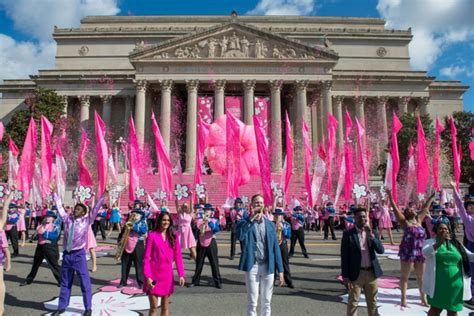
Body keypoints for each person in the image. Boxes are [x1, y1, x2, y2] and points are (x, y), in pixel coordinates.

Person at [52, 189, 106, 316]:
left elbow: (96, 208)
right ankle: (62, 306)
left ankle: (88, 308)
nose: (75, 210)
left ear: (83, 213)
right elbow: (59, 207)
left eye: (78, 209)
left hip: (79, 255)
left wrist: (105, 194)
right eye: (75, 208)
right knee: (65, 282)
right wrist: (54, 192)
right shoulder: (67, 219)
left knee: (84, 282)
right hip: (67, 255)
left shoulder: (87, 221)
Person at [237, 194, 284, 316]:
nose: (259, 204)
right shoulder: (245, 222)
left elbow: (275, 248)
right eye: (256, 202)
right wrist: (251, 218)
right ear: (251, 205)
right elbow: (240, 236)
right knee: (253, 302)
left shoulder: (270, 224)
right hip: (253, 266)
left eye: (261, 203)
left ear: (264, 206)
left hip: (268, 266)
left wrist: (281, 270)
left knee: (267, 301)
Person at [387, 189, 435, 307]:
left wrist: (431, 197)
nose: (412, 209)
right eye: (409, 209)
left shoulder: (419, 220)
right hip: (408, 252)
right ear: (406, 213)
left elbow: (425, 208)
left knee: (420, 277)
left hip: (420, 252)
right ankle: (403, 299)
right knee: (405, 276)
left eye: (413, 208)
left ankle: (423, 299)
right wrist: (390, 197)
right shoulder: (404, 222)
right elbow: (395, 209)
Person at [423, 218, 474, 315]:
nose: (444, 230)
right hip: (438, 285)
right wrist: (440, 242)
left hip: (456, 285)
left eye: (446, 229)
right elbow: (425, 253)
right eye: (441, 229)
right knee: (435, 309)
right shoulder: (430, 242)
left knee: (453, 311)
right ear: (436, 230)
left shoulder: (456, 244)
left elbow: (470, 256)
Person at [341, 207, 385, 316]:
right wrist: (345, 277)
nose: (363, 219)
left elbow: (381, 250)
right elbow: (344, 257)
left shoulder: (372, 232)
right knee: (353, 303)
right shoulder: (348, 234)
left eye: (364, 216)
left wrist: (371, 236)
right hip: (356, 274)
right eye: (360, 217)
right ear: (354, 218)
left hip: (371, 273)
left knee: (373, 303)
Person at [143, 212, 185, 316]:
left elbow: (178, 257)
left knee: (165, 307)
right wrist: (148, 277)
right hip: (153, 277)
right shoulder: (152, 235)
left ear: (170, 222)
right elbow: (146, 258)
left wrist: (181, 275)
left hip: (167, 276)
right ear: (159, 221)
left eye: (168, 220)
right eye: (163, 220)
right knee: (153, 307)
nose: (165, 222)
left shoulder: (174, 237)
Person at [20, 209, 61, 286]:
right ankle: (29, 280)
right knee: (35, 264)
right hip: (40, 247)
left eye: (50, 217)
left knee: (54, 265)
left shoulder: (55, 226)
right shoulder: (41, 226)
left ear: (53, 219)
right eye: (47, 217)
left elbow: (54, 236)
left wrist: (44, 233)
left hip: (49, 247)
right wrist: (35, 235)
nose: (48, 218)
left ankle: (61, 280)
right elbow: (34, 238)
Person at [450, 181, 474, 305]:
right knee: (471, 272)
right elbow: (459, 205)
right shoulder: (467, 218)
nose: (471, 207)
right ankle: (471, 297)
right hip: (472, 245)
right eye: (469, 205)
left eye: (473, 205)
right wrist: (454, 189)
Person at [189, 203, 222, 288]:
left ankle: (217, 281)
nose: (207, 211)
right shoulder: (199, 220)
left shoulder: (214, 220)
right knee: (199, 263)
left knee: (214, 263)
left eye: (209, 210)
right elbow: (200, 230)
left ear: (211, 211)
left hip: (211, 242)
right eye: (206, 210)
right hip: (201, 242)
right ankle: (195, 281)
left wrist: (209, 221)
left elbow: (216, 229)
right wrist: (204, 221)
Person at [118, 207, 148, 289]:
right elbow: (122, 233)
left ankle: (141, 282)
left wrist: (132, 226)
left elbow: (143, 231)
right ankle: (123, 281)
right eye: (133, 213)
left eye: (137, 214)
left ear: (141, 216)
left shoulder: (142, 223)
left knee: (138, 264)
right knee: (125, 264)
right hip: (127, 244)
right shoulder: (128, 222)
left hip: (138, 245)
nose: (135, 215)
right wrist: (119, 241)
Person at [274, 208, 294, 288]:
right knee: (273, 263)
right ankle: (272, 281)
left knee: (285, 263)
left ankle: (288, 281)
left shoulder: (286, 224)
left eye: (279, 215)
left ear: (282, 216)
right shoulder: (271, 223)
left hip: (283, 244)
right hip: (274, 245)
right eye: (276, 215)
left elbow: (289, 235)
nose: (277, 216)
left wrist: (283, 228)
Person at [0, 191, 12, 316]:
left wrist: (11, 193)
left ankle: (1, 307)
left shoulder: (0, 224)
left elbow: (5, 206)